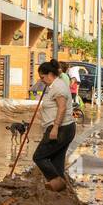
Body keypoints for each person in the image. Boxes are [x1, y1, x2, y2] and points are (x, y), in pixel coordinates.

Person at [33, 60, 75, 191]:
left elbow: (62, 108)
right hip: (66, 129)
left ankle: (59, 184)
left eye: (43, 77)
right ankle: (61, 195)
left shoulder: (58, 87)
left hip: (61, 129)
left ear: (50, 74)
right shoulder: (55, 86)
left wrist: (55, 127)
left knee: (39, 157)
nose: (42, 80)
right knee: (57, 163)